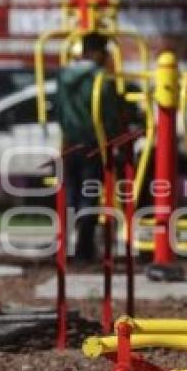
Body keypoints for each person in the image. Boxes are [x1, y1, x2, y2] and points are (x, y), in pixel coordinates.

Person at [56, 32, 130, 263]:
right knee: (89, 195)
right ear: (97, 53)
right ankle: (83, 249)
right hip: (93, 142)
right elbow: (108, 113)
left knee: (70, 195)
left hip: (69, 141)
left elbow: (57, 108)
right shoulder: (100, 80)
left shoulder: (64, 76)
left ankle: (63, 246)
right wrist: (116, 135)